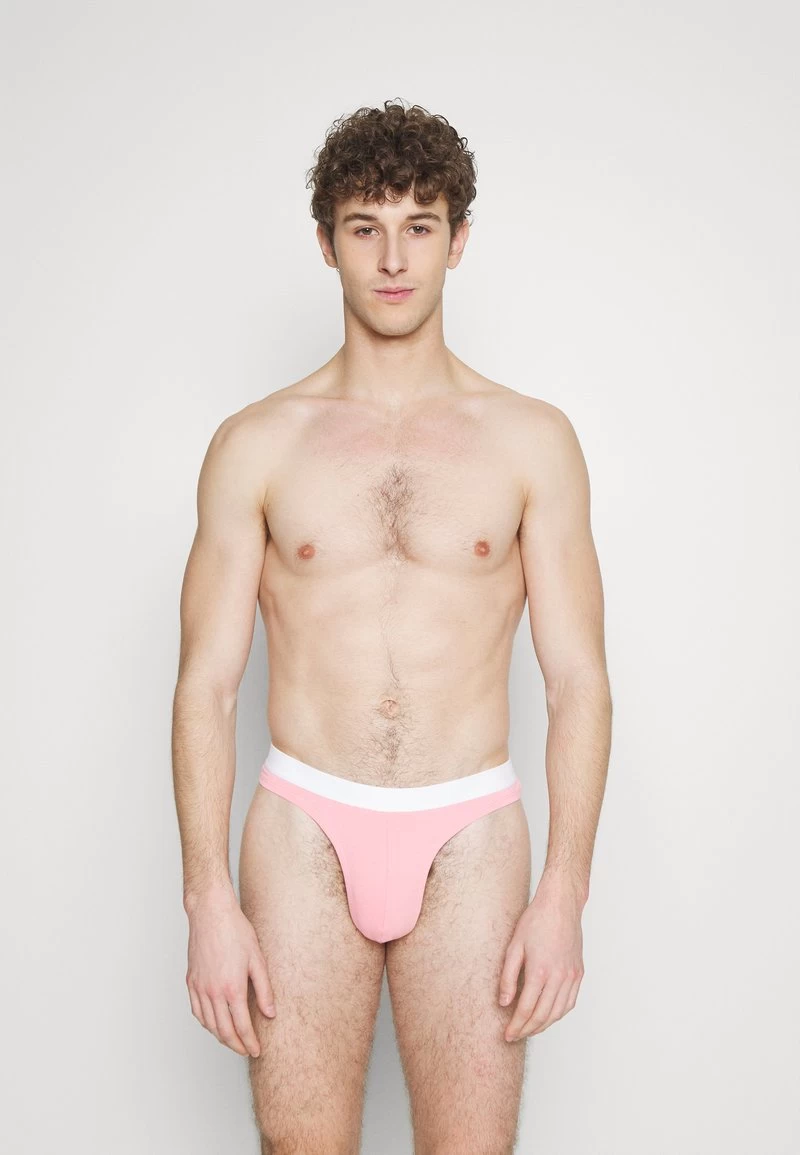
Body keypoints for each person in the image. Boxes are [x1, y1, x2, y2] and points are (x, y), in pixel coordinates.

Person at [172, 98, 612, 1155]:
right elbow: (206, 687)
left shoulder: (532, 440)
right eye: (364, 227)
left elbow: (578, 682)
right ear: (326, 243)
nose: (393, 257)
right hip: (302, 825)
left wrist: (564, 893)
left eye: (420, 225)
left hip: (470, 829)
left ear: (458, 240)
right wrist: (206, 902)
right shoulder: (256, 443)